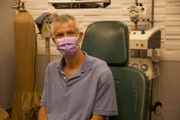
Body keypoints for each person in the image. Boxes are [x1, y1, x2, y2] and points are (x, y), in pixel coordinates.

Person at [38, 14, 118, 120]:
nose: (65, 38)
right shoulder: (51, 69)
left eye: (70, 33)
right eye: (60, 35)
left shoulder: (101, 72)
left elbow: (99, 117)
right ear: (54, 41)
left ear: (79, 36)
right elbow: (44, 109)